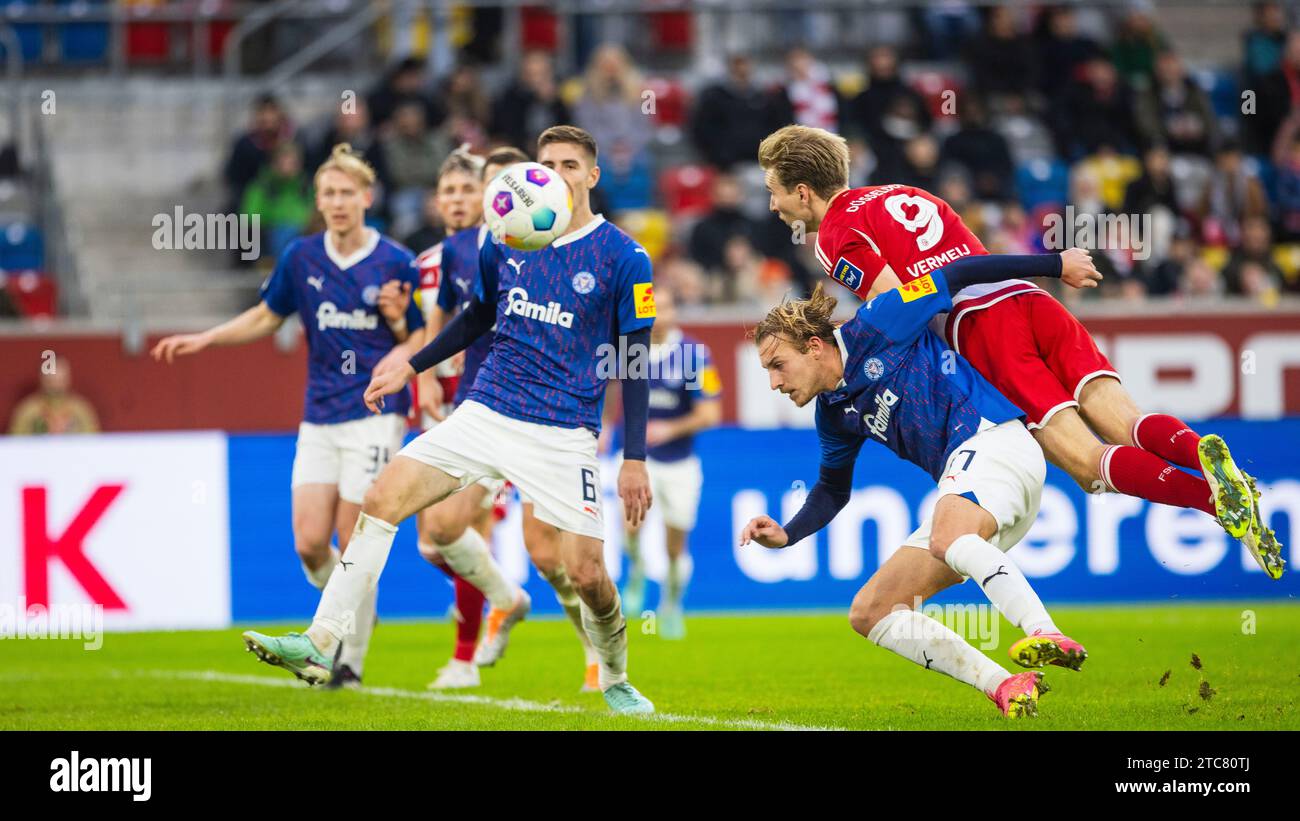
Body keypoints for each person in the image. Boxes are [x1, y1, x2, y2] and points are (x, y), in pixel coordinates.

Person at [241, 125, 658, 714]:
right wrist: (411, 366)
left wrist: (634, 458)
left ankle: (614, 675)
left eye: (569, 165)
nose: (555, 175)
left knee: (587, 574)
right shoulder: (503, 234)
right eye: (546, 164)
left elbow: (634, 361)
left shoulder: (623, 257)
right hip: (486, 409)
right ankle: (320, 641)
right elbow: (476, 317)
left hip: (563, 431)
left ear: (591, 176)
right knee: (382, 498)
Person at [757, 124, 1283, 580]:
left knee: (1089, 463)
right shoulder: (901, 192)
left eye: (774, 192)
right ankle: (1208, 460)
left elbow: (900, 303)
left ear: (804, 192)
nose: (773, 205)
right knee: (1125, 420)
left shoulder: (833, 233)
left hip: (981, 327)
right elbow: (956, 257)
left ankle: (1213, 503)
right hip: (1026, 297)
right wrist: (1050, 265)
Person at [740, 262, 1095, 717]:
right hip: (978, 493)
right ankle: (1006, 686)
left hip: (994, 439)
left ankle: (1044, 632)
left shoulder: (881, 319)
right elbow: (832, 490)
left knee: (948, 536)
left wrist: (1054, 265)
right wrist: (787, 534)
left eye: (777, 365)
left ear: (813, 347)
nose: (773, 382)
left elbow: (959, 272)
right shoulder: (832, 413)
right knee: (871, 611)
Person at [153, 144, 425, 687]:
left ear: (367, 198)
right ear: (318, 200)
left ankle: (347, 658)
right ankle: (345, 622)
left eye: (348, 192)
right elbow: (265, 315)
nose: (339, 201)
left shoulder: (396, 260)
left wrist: (401, 341)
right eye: (329, 193)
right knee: (308, 542)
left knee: (355, 538)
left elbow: (419, 333)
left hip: (374, 413)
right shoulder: (302, 258)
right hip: (319, 415)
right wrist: (207, 338)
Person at [413, 146, 600, 691]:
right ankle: (505, 599)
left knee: (547, 553)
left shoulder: (555, 250)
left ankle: (593, 650)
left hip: (546, 413)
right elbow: (449, 319)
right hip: (482, 406)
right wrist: (424, 373)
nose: (495, 196)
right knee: (441, 531)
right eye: (490, 185)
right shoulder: (462, 251)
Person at [617, 286, 722, 638]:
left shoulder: (694, 354)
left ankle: (672, 604)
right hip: (638, 462)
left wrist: (670, 428)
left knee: (674, 546)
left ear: (674, 311)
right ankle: (635, 572)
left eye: (664, 307)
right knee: (628, 530)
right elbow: (612, 390)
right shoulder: (631, 348)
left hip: (679, 463)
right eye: (652, 308)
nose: (658, 315)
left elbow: (710, 413)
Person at [8, 357, 100, 435]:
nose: (56, 386)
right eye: (51, 381)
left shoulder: (80, 410)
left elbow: (94, 443)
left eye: (60, 380)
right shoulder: (28, 411)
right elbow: (14, 444)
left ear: (68, 379)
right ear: (42, 380)